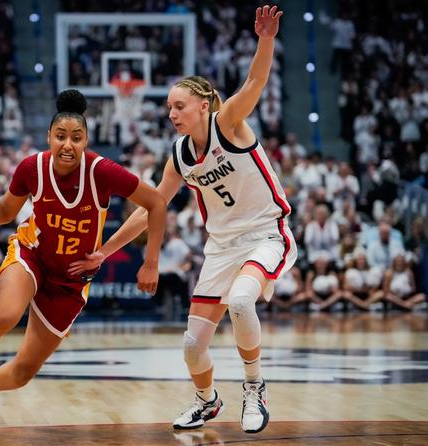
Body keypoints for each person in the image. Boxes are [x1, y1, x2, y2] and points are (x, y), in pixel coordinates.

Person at [69, 5, 293, 434]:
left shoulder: (228, 123)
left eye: (179, 106)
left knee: (243, 301)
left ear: (204, 104)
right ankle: (207, 401)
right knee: (192, 347)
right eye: (169, 107)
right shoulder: (177, 155)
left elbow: (255, 82)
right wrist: (103, 252)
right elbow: (149, 209)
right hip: (221, 247)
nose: (171, 114)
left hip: (267, 233)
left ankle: (254, 386)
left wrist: (265, 40)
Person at [0, 89, 166, 427]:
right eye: (61, 136)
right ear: (49, 137)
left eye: (76, 138)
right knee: (5, 314)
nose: (68, 144)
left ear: (86, 141)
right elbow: (6, 210)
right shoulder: (31, 167)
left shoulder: (102, 171)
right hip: (31, 253)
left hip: (71, 280)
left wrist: (150, 261)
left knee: (23, 372)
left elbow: (156, 203)